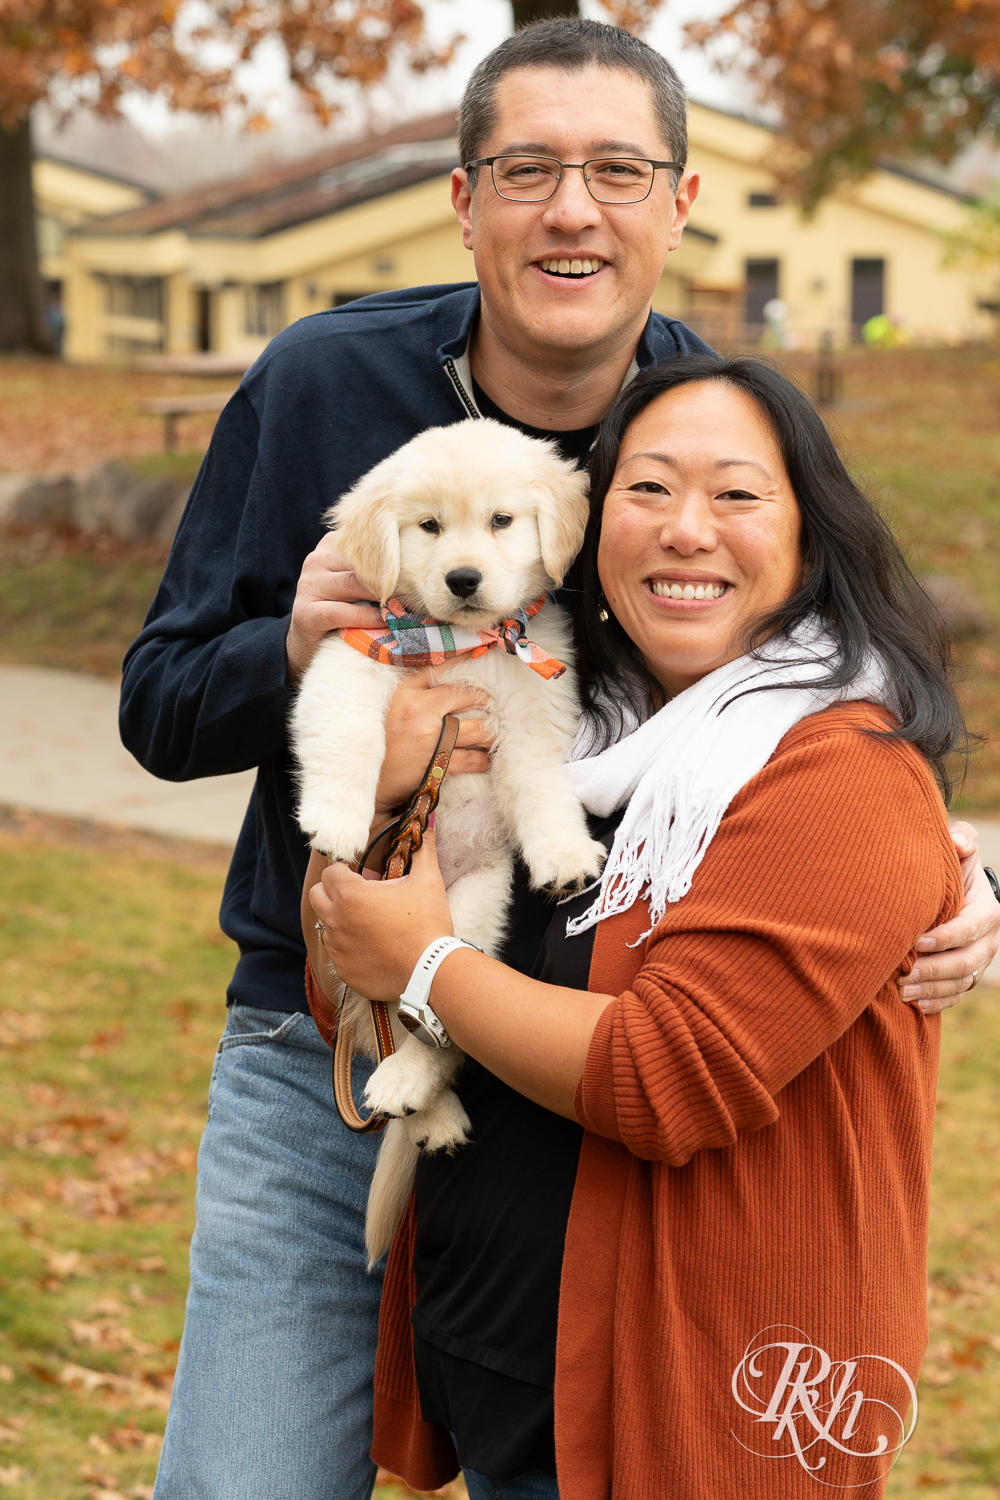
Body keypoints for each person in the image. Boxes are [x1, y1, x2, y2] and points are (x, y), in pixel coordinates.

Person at [118, 18, 998, 1500]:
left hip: (559, 1056)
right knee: (248, 1477)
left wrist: (952, 859)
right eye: (525, 169)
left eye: (616, 170)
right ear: (463, 200)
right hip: (316, 1038)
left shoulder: (695, 430)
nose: (570, 209)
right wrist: (292, 648)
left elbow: (803, 686)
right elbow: (154, 702)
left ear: (682, 200)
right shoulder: (323, 385)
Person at [309, 355, 977, 1499]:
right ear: (587, 527)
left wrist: (425, 962)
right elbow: (352, 982)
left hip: (695, 1405)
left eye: (736, 494)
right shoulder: (570, 730)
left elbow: (669, 1078)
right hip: (517, 1379)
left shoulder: (837, 771)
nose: (685, 529)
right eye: (649, 489)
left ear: (812, 539)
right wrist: (377, 864)